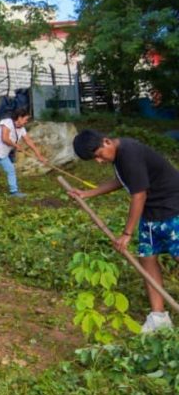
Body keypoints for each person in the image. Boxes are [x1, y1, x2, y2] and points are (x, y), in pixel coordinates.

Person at [71, 130, 179, 333]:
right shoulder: (119, 156)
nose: (99, 161)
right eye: (95, 159)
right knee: (147, 258)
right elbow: (122, 180)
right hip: (152, 212)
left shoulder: (129, 153)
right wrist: (88, 193)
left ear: (106, 141)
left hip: (173, 208)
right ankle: (159, 317)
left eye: (99, 155)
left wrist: (127, 234)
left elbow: (139, 195)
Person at [0, 107, 46, 198]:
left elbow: (29, 141)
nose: (26, 121)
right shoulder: (7, 122)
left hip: (3, 154)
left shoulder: (22, 129)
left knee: (10, 170)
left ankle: (14, 192)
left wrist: (39, 156)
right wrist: (16, 146)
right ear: (19, 118)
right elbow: (5, 138)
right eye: (26, 119)